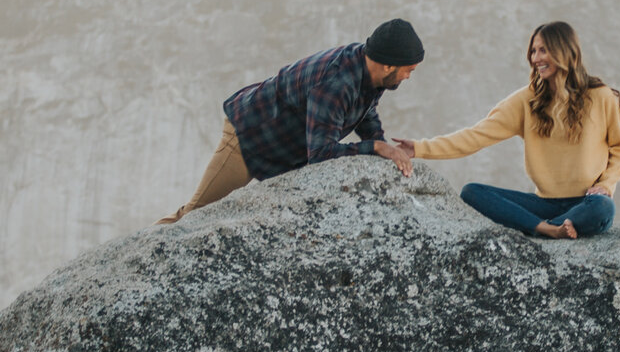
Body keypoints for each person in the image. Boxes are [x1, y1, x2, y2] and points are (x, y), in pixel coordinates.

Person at [158, 19, 425, 224]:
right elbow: (321, 153)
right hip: (249, 138)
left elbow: (365, 111)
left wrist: (381, 143)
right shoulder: (337, 83)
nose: (409, 77)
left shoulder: (370, 71)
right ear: (389, 65)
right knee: (196, 214)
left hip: (285, 150)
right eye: (409, 70)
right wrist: (376, 148)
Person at [413, 21, 620, 239]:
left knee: (604, 208)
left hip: (586, 202)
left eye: (543, 50)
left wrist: (606, 184)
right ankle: (550, 229)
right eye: (533, 51)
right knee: (472, 192)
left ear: (564, 51)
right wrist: (417, 148)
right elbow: (475, 137)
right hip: (542, 204)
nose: (535, 59)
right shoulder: (526, 101)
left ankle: (541, 227)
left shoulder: (601, 96)